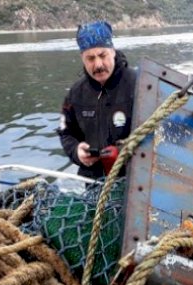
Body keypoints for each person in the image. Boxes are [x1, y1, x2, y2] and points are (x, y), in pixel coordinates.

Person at [58, 20, 136, 179]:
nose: (98, 64)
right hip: (93, 183)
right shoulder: (75, 94)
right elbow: (65, 133)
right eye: (91, 58)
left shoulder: (138, 85)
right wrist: (77, 152)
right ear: (82, 58)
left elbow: (155, 132)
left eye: (102, 55)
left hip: (133, 181)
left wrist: (122, 152)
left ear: (112, 51)